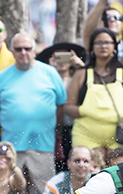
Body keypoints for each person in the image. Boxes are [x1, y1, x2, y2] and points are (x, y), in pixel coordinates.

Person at [0, 32, 67, 194]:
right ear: (11, 51)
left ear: (34, 50)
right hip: (11, 147)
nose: (23, 52)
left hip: (43, 144)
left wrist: (49, 126)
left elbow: (61, 106)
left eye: (28, 48)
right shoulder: (2, 76)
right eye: (18, 49)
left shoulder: (50, 73)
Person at [66, 28, 123, 164]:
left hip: (120, 136)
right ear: (92, 47)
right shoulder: (81, 74)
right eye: (99, 43)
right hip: (86, 136)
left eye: (108, 42)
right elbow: (69, 106)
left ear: (114, 46)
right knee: (88, 175)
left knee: (120, 176)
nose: (103, 46)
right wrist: (85, 111)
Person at [36, 41, 86, 171]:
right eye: (58, 57)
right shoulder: (46, 79)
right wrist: (51, 70)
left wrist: (80, 64)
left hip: (74, 128)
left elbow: (91, 85)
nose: (62, 61)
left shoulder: (79, 78)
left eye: (65, 57)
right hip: (52, 130)